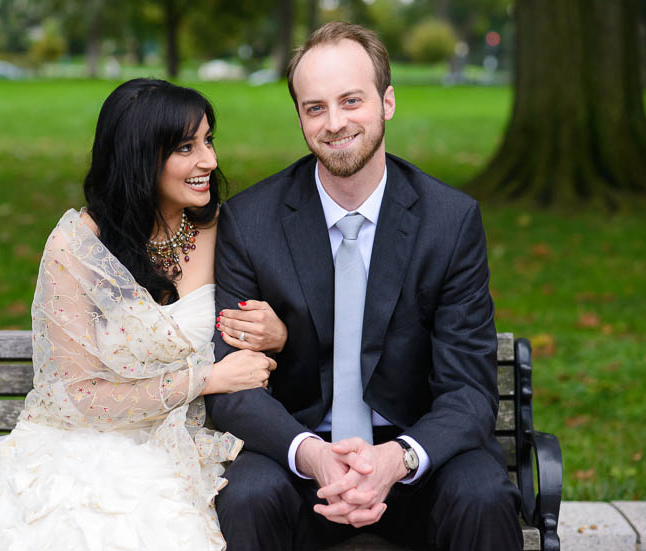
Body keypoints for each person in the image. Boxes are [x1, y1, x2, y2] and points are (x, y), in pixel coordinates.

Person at [209, 21, 523, 551]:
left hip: (415, 456)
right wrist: (311, 453)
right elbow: (234, 388)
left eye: (351, 101)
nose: (334, 123)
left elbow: (469, 390)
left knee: (482, 495)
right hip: (301, 457)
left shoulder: (450, 221)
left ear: (388, 102)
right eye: (315, 108)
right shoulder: (250, 222)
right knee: (246, 494)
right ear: (300, 117)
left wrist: (395, 460)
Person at [0, 78, 282, 551]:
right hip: (84, 443)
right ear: (140, 157)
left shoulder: (230, 230)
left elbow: (283, 328)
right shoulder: (76, 247)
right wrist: (206, 379)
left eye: (208, 140)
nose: (210, 161)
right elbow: (78, 397)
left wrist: (278, 333)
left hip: (187, 444)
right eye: (186, 147)